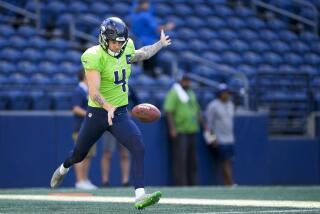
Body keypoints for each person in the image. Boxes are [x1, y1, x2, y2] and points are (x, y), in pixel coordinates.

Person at [50, 17, 171, 209]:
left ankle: (139, 195)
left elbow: (141, 54)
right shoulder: (94, 55)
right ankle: (64, 168)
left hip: (120, 113)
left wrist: (159, 44)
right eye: (114, 42)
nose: (117, 46)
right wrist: (108, 106)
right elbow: (94, 92)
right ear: (104, 39)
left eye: (120, 42)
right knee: (78, 155)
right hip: (98, 113)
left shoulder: (126, 46)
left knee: (138, 145)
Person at [164, 73, 207, 186]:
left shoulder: (191, 93)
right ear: (180, 81)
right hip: (180, 131)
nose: (187, 82)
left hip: (192, 129)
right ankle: (181, 184)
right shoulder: (174, 93)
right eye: (184, 80)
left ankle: (193, 184)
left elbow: (197, 110)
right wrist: (172, 128)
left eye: (188, 80)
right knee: (180, 160)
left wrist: (205, 126)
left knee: (192, 160)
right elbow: (168, 111)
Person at [101, 88, 139, 187]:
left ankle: (125, 180)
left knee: (125, 153)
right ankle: (105, 180)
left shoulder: (128, 88)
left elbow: (137, 103)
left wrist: (131, 112)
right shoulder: (108, 86)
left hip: (124, 123)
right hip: (109, 123)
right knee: (107, 153)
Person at [130, 0, 175, 77]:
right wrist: (167, 27)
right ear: (142, 5)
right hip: (148, 43)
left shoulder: (134, 15)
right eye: (146, 4)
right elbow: (156, 28)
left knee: (141, 67)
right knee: (149, 69)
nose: (148, 5)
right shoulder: (146, 16)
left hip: (138, 43)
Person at [71, 71, 97, 190]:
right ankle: (79, 180)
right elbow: (75, 108)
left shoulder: (89, 90)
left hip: (90, 128)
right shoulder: (78, 90)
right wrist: (90, 114)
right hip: (80, 128)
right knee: (80, 155)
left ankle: (85, 180)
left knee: (88, 155)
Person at [205, 84, 235, 186]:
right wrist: (212, 139)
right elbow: (208, 125)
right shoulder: (213, 105)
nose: (225, 94)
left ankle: (227, 184)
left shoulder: (231, 104)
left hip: (230, 139)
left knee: (228, 162)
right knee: (225, 162)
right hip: (220, 139)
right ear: (219, 93)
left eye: (227, 92)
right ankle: (231, 183)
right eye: (223, 92)